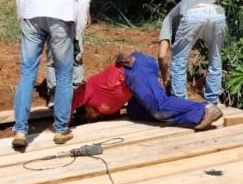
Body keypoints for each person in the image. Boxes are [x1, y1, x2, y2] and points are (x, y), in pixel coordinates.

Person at [12, 0, 92, 150]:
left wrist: (22, 19)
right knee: (64, 73)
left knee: (27, 72)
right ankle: (61, 129)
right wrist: (78, 33)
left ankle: (20, 130)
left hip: (32, 15)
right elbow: (83, 2)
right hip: (61, 18)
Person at [72, 50, 223, 130]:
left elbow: (69, 101)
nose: (95, 115)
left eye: (89, 115)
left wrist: (61, 125)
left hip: (132, 69)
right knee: (135, 112)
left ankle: (204, 109)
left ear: (84, 106)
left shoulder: (87, 90)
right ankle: (195, 117)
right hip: (133, 81)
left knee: (159, 107)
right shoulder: (105, 111)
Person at [158, 0, 227, 104]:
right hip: (218, 12)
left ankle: (180, 101)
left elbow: (162, 55)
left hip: (194, 13)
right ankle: (213, 101)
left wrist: (165, 79)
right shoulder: (183, 5)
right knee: (215, 57)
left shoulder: (167, 20)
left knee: (179, 59)